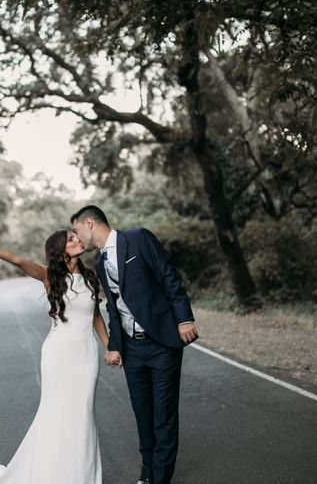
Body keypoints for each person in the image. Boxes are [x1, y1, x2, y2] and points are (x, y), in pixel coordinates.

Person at [0, 229, 108, 484]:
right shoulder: (49, 276)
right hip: (58, 353)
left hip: (87, 354)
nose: (77, 240)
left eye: (76, 237)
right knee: (56, 411)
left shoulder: (91, 277)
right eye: (71, 239)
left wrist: (109, 347)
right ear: (60, 249)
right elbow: (18, 261)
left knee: (82, 413)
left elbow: (95, 316)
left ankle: (79, 475)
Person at [71, 206, 198, 484]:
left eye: (76, 230)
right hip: (132, 349)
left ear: (89, 223)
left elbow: (169, 277)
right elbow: (114, 309)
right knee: (142, 413)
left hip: (162, 342)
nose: (76, 237)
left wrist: (184, 319)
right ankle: (148, 471)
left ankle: (160, 478)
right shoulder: (101, 264)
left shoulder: (139, 239)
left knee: (163, 414)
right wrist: (114, 344)